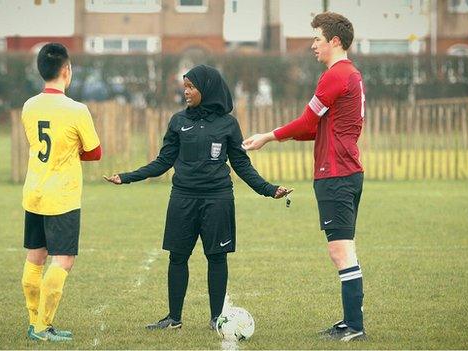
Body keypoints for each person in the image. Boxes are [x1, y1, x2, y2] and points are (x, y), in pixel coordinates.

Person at [104, 64, 291, 331]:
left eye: (191, 87)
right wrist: (128, 176)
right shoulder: (178, 122)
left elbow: (242, 164)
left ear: (207, 88)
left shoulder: (228, 124)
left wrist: (269, 189)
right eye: (185, 87)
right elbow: (163, 161)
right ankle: (173, 319)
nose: (186, 92)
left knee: (217, 257)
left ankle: (217, 319)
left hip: (218, 199)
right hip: (182, 198)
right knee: (177, 257)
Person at [242, 12, 366, 341]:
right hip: (345, 172)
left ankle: (354, 326)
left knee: (340, 251)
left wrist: (268, 135)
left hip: (336, 174)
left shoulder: (336, 75)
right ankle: (350, 322)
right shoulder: (349, 74)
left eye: (317, 39)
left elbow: (307, 122)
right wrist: (275, 137)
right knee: (344, 249)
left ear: (334, 41)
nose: (313, 45)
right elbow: (316, 129)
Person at [20, 43, 102, 342]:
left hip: (34, 191)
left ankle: (33, 322)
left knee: (35, 256)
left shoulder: (29, 106)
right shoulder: (77, 110)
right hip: (62, 195)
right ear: (66, 71)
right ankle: (43, 326)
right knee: (64, 259)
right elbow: (94, 152)